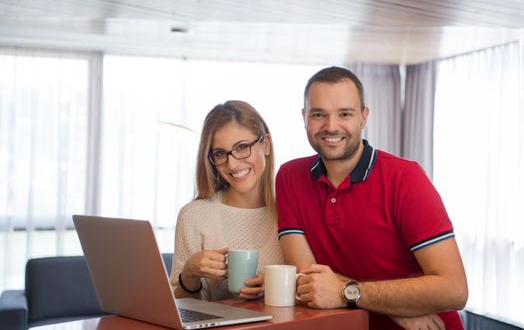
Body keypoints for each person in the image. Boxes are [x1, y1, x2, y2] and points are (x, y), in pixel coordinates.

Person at [276, 66, 468, 330]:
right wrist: (393, 307)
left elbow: (455, 290)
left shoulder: (405, 177)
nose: (331, 126)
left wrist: (348, 292)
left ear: (364, 118)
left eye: (345, 114)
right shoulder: (289, 177)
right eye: (319, 114)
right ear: (304, 117)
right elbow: (311, 280)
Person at [170, 100, 284, 301]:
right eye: (220, 153)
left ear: (266, 144)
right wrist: (189, 274)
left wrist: (274, 286)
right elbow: (181, 311)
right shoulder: (194, 216)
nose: (232, 164)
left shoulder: (291, 210)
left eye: (242, 147)